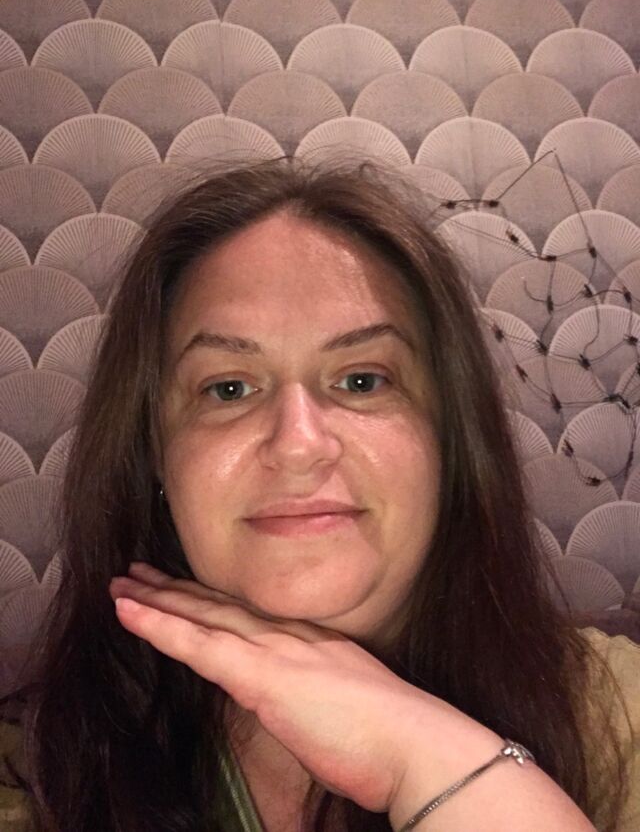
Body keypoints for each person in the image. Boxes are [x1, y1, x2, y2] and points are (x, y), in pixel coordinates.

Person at [0, 158, 638, 832]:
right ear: (155, 452)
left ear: (450, 438)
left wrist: (429, 758)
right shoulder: (38, 769)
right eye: (228, 388)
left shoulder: (618, 714)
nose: (299, 444)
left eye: (363, 380)